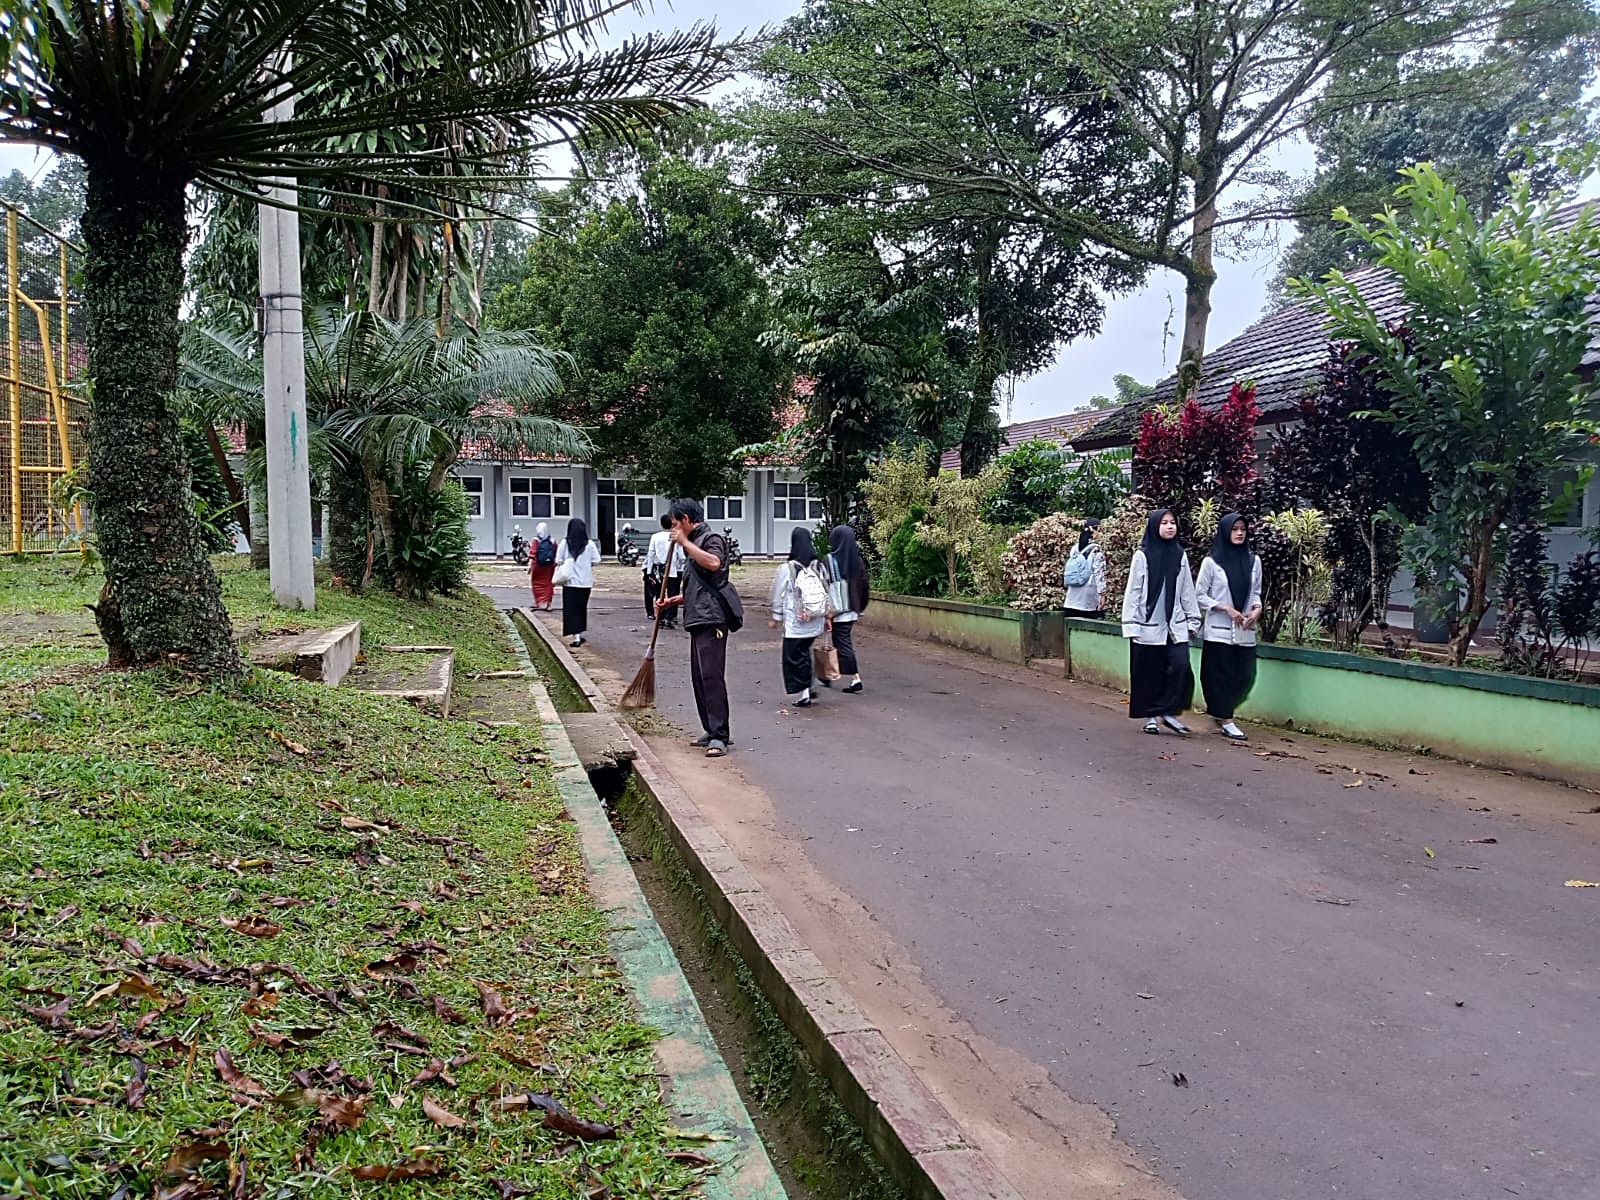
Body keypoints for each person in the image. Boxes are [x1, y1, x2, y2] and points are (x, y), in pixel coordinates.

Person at [659, 498, 738, 758]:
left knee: (711, 677)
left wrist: (684, 543)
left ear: (686, 519)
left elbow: (714, 563)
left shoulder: (711, 539)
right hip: (697, 618)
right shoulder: (693, 544)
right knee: (699, 677)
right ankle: (710, 729)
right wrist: (673, 600)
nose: (674, 530)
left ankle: (720, 735)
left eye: (675, 524)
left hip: (712, 620)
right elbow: (698, 587)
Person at [1120, 508, 1202, 735]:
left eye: (1173, 523)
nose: (1169, 527)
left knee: (1181, 667)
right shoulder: (1142, 556)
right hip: (1147, 625)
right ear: (1155, 526)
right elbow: (1133, 592)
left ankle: (1168, 711)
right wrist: (1131, 624)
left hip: (1174, 625)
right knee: (1149, 672)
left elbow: (1187, 589)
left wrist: (1193, 619)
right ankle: (1150, 716)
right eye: (1164, 523)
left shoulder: (1179, 555)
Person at [1195, 512, 1263, 741]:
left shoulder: (1254, 562)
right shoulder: (1211, 563)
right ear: (1225, 532)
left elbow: (1256, 592)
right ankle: (1227, 720)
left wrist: (1256, 609)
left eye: (1243, 529)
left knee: (1245, 676)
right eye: (1234, 529)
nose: (1239, 533)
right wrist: (1225, 608)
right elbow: (1200, 595)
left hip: (1244, 630)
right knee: (1219, 676)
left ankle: (1221, 709)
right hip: (1219, 632)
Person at [770, 527, 828, 707]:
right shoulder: (819, 566)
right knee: (803, 653)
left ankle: (804, 692)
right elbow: (827, 591)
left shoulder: (787, 569)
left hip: (796, 622)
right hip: (815, 620)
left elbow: (778, 594)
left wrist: (776, 616)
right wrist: (828, 617)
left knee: (793, 657)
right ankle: (808, 686)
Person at [824, 524, 870, 694]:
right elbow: (864, 586)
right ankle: (828, 674)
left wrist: (826, 612)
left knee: (842, 643)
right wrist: (860, 606)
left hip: (835, 610)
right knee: (839, 641)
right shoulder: (856, 561)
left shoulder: (829, 560)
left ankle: (855, 677)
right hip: (851, 610)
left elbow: (824, 586)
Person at [555, 517, 601, 647]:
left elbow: (558, 560)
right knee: (581, 609)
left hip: (570, 582)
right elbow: (597, 560)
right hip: (585, 583)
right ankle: (579, 634)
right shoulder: (590, 544)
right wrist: (586, 564)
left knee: (571, 610)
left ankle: (576, 636)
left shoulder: (565, 543)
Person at [1063, 518, 1107, 617]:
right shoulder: (1097, 550)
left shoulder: (1075, 548)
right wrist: (1102, 595)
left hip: (1072, 596)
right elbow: (1099, 574)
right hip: (1088, 597)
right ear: (1097, 530)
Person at [643, 513, 678, 629]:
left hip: (658, 570)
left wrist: (649, 572)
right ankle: (670, 617)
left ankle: (661, 617)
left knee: (659, 594)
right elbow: (681, 556)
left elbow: (651, 554)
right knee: (672, 594)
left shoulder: (655, 537)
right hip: (672, 570)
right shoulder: (675, 537)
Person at [528, 521, 557, 611]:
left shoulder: (536, 540)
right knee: (549, 584)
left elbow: (533, 552)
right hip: (550, 567)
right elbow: (556, 552)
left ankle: (539, 602)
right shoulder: (552, 540)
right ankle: (548, 604)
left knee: (536, 584)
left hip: (538, 566)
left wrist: (530, 565)